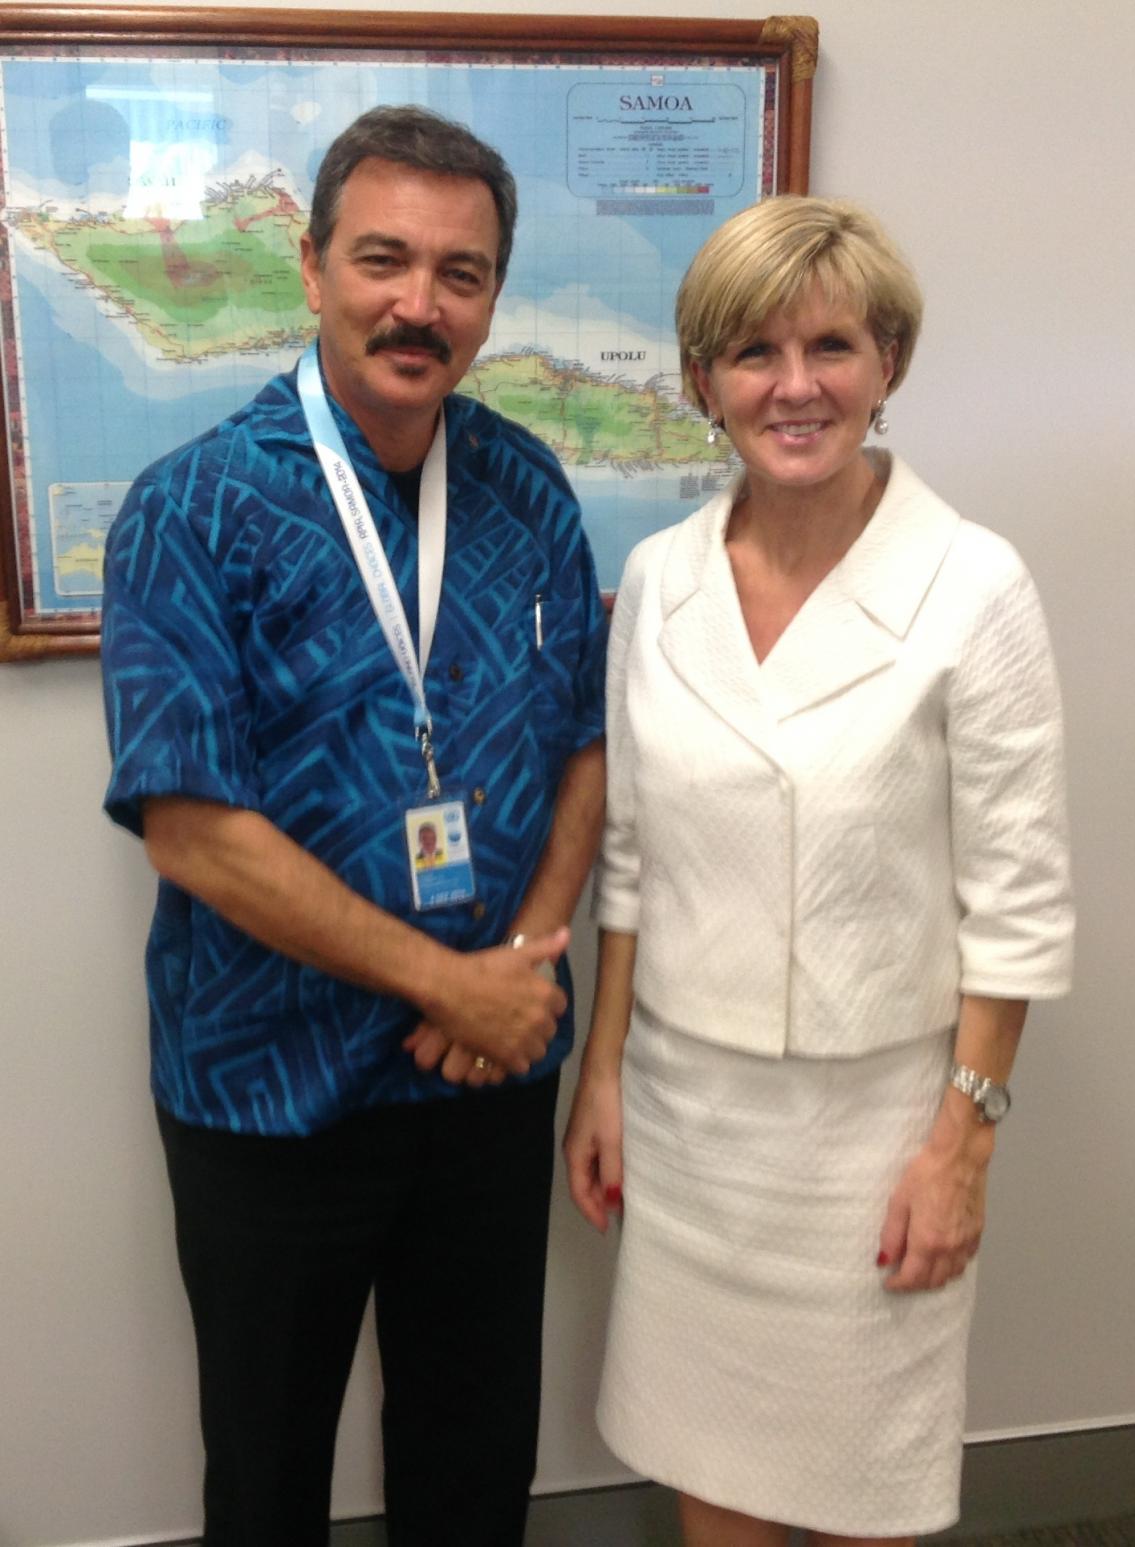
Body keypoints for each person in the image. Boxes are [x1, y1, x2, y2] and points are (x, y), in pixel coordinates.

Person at [101, 105, 606, 1547]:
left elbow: (583, 747)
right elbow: (192, 829)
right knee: (267, 1481)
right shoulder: (189, 510)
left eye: (461, 273)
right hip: (271, 1095)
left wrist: (512, 967)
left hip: (483, 1088)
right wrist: (450, 981)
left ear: (493, 297)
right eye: (384, 259)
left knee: (473, 1467)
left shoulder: (529, 488)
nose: (419, 303)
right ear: (311, 265)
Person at [564, 196, 1073, 1547]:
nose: (795, 387)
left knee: (864, 1498)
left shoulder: (973, 586)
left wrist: (961, 1147)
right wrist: (600, 1073)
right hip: (690, 1128)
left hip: (873, 1139)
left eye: (832, 347)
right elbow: (630, 862)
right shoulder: (659, 581)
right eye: (752, 353)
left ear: (888, 364)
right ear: (700, 382)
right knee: (714, 1493)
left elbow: (1016, 906)